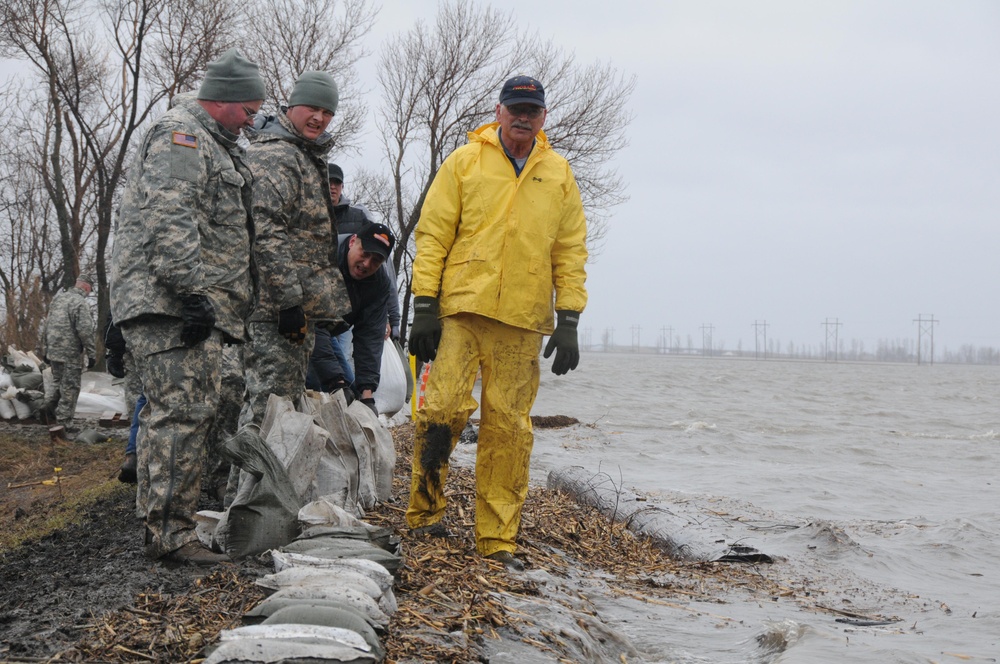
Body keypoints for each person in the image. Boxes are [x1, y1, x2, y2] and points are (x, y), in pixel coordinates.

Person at [405, 75, 588, 571]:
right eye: (515, 108)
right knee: (441, 410)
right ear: (499, 110)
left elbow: (569, 251)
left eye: (532, 110)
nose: (522, 117)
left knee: (509, 428)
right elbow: (433, 233)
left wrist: (569, 315)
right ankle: (424, 515)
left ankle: (497, 537)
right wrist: (424, 305)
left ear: (543, 117)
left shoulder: (559, 173)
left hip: (523, 320)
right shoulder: (464, 161)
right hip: (461, 308)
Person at [110, 48, 264, 566]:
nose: (251, 120)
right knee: (182, 413)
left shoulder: (216, 142)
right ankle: (171, 535)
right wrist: (191, 291)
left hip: (189, 302)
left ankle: (160, 524)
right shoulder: (182, 135)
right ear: (220, 99)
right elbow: (171, 212)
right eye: (248, 109)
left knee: (179, 412)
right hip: (172, 302)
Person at [240, 71, 349, 428]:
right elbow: (266, 231)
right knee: (269, 411)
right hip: (275, 311)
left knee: (277, 407)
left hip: (294, 309)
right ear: (291, 107)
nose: (319, 118)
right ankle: (257, 485)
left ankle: (256, 483)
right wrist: (288, 301)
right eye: (312, 108)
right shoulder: (277, 156)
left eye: (327, 112)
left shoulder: (303, 154)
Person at [306, 222, 395, 414]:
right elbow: (312, 323)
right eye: (364, 253)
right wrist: (335, 383)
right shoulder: (323, 257)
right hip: (295, 327)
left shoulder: (379, 284)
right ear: (353, 241)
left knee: (351, 393)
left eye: (376, 261)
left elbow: (370, 336)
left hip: (327, 331)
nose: (366, 264)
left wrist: (368, 395)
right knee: (319, 385)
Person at [39, 274, 96, 430]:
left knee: (57, 382)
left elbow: (47, 324)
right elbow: (85, 330)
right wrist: (91, 353)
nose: (89, 293)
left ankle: (47, 407)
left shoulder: (58, 299)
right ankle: (64, 422)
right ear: (86, 287)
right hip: (69, 352)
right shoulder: (80, 302)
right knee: (70, 386)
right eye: (90, 290)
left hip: (54, 350)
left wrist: (46, 348)